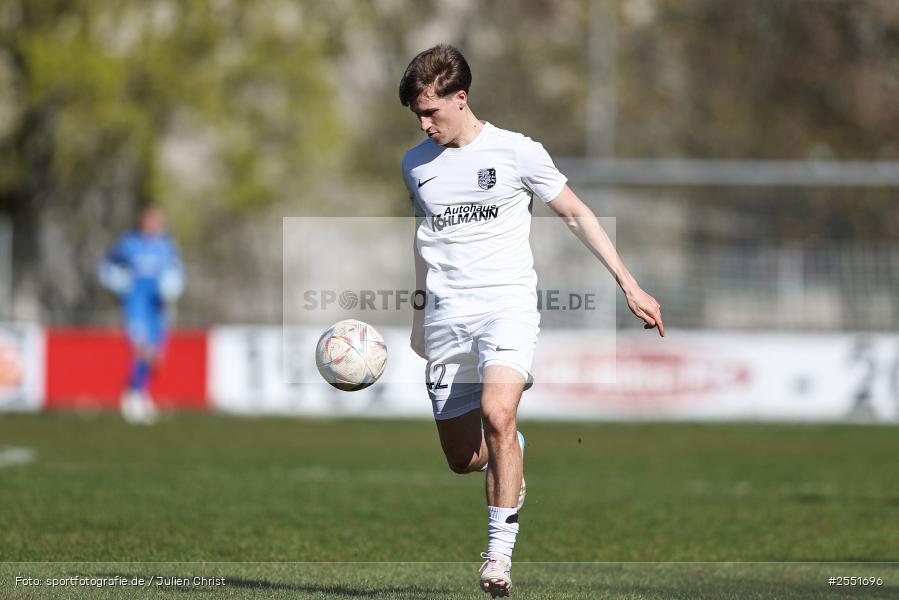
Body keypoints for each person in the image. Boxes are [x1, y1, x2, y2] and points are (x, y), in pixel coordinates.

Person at [399, 44, 664, 596]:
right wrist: (420, 315)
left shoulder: (517, 152)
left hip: (507, 307)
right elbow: (424, 244)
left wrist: (628, 282)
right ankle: (511, 448)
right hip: (448, 317)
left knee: (497, 414)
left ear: (460, 97)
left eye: (431, 112)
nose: (424, 124)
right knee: (462, 457)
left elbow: (575, 212)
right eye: (418, 115)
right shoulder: (416, 166)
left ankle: (498, 558)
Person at [99, 206, 184, 424]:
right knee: (142, 349)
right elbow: (108, 266)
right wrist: (117, 281)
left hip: (158, 306)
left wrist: (174, 284)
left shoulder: (166, 245)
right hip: (136, 303)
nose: (156, 225)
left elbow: (176, 271)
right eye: (152, 220)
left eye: (159, 221)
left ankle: (140, 392)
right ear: (143, 222)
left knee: (157, 355)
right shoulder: (129, 244)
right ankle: (132, 395)